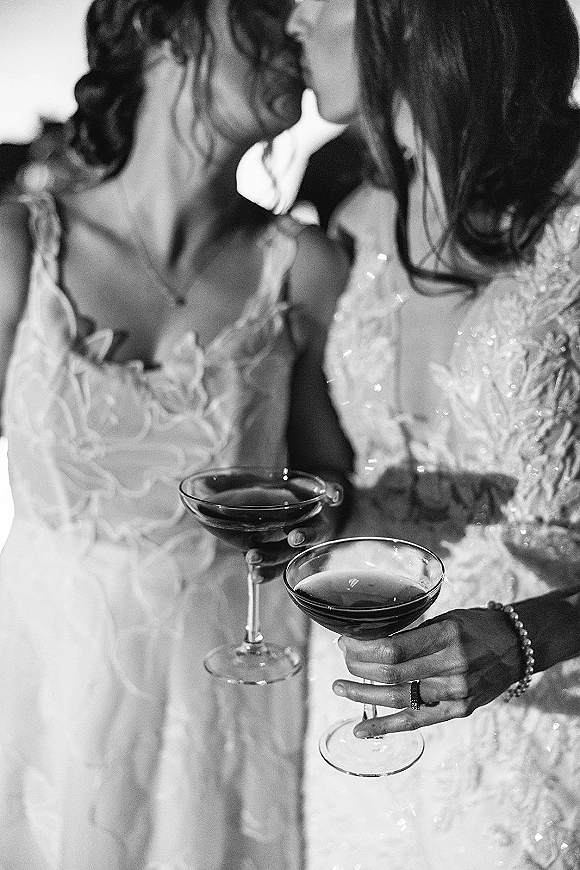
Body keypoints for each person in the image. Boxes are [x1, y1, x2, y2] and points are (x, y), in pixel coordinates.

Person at [0, 1, 353, 867]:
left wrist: (295, 522)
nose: (294, 34)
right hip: (44, 711)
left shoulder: (303, 269)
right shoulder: (19, 249)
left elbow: (335, 495)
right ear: (166, 26)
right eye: (265, 11)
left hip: (228, 723)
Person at [286, 0, 580, 867]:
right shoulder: (352, 221)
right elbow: (334, 471)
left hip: (548, 726)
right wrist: (308, 517)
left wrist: (536, 635)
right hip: (362, 711)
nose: (295, 21)